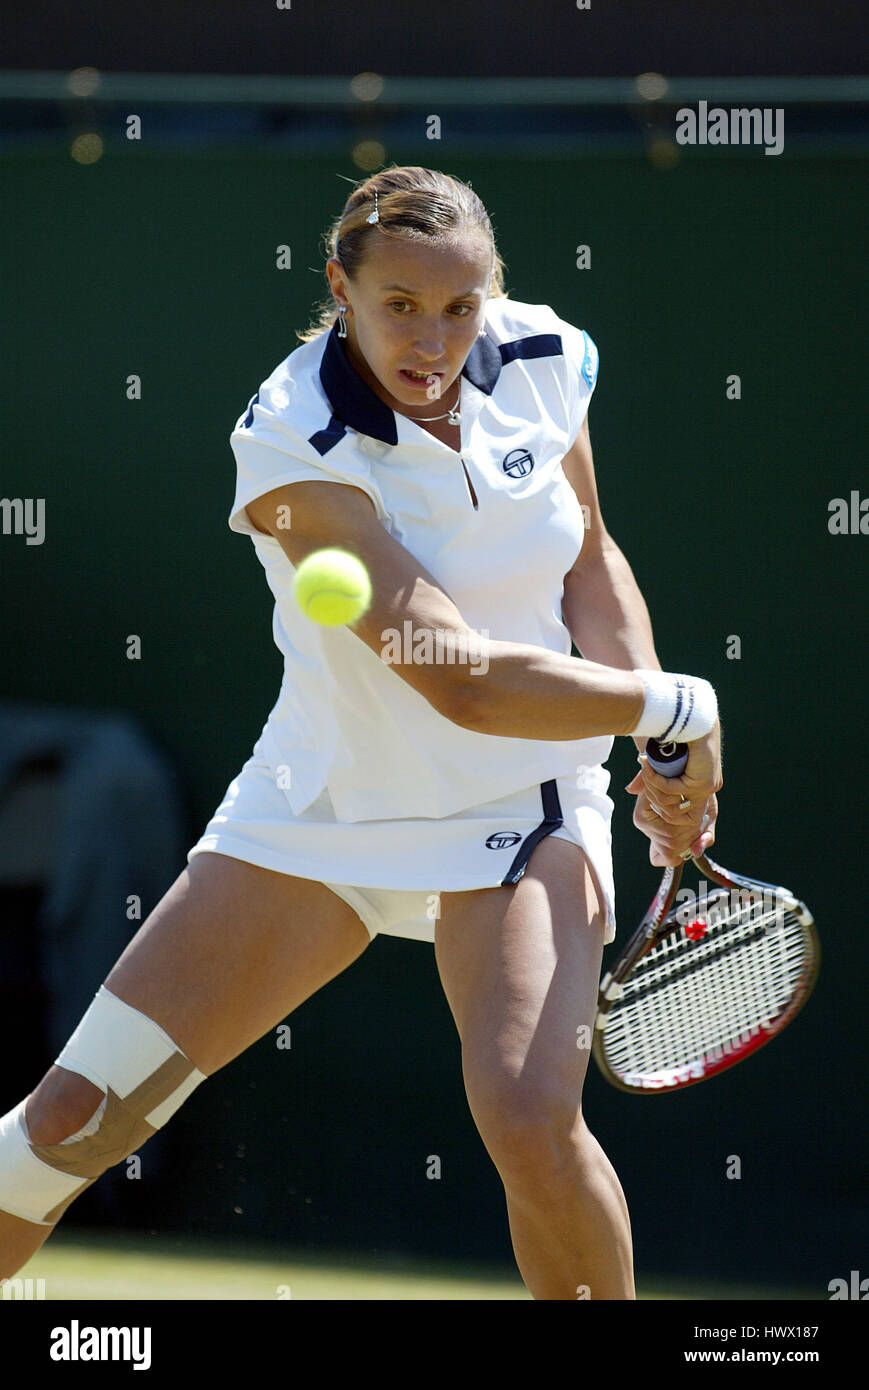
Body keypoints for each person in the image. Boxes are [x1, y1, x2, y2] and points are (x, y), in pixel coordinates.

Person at [0, 165, 722, 1300]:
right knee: (67, 1121)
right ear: (340, 287)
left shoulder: (545, 359)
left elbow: (588, 557)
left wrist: (654, 736)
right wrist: (676, 704)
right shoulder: (291, 440)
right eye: (398, 305)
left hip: (521, 804)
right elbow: (458, 678)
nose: (432, 338)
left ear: (493, 291)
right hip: (320, 802)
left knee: (529, 1118)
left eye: (459, 305)